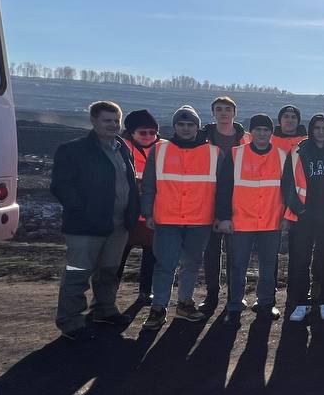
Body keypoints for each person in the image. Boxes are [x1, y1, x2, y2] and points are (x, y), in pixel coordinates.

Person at [50, 100, 139, 340]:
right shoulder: (74, 150)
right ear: (93, 121)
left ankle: (105, 310)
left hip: (118, 225)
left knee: (109, 271)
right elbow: (61, 186)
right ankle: (71, 322)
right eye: (107, 120)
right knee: (78, 273)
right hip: (85, 227)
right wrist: (82, 211)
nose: (113, 125)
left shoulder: (122, 148)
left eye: (116, 121)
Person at [140, 106, 220, 330]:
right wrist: (148, 212)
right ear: (174, 126)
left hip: (199, 220)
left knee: (191, 264)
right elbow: (148, 184)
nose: (186, 128)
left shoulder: (213, 153)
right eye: (181, 124)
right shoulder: (159, 150)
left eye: (190, 124)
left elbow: (221, 189)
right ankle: (158, 308)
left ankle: (185, 303)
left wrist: (218, 216)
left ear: (197, 127)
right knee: (165, 265)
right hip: (167, 219)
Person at [215, 114, 287, 325]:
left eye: (266, 130)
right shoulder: (236, 154)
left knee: (268, 266)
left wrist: (286, 216)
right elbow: (224, 189)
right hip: (241, 221)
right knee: (237, 265)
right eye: (258, 129)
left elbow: (289, 189)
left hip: (271, 221)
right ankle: (234, 305)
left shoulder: (282, 156)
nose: (262, 134)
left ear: (271, 133)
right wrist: (224, 218)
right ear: (251, 132)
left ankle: (266, 303)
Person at [283, 114, 324, 322]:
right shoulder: (299, 151)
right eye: (317, 128)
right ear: (311, 129)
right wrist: (298, 208)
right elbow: (287, 182)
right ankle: (301, 302)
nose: (320, 132)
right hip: (303, 216)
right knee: (300, 260)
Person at [199, 96, 248, 313]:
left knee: (235, 252)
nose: (223, 113)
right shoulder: (202, 138)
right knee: (211, 251)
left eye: (227, 109)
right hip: (207, 200)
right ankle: (212, 294)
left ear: (234, 113)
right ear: (213, 113)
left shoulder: (245, 139)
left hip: (238, 200)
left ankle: (234, 296)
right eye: (219, 109)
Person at [116, 108, 160, 304]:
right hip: (126, 213)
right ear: (131, 132)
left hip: (151, 213)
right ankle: (108, 293)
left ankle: (145, 291)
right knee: (118, 256)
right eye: (143, 132)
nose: (148, 136)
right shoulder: (119, 147)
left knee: (151, 255)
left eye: (152, 132)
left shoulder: (163, 148)